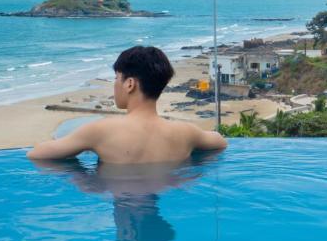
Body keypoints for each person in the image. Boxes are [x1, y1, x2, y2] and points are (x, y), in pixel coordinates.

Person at [27, 46, 227, 164]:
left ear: (130, 84)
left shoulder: (101, 131)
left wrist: (83, 179)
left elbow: (37, 155)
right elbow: (220, 142)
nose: (115, 85)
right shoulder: (186, 133)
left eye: (117, 78)